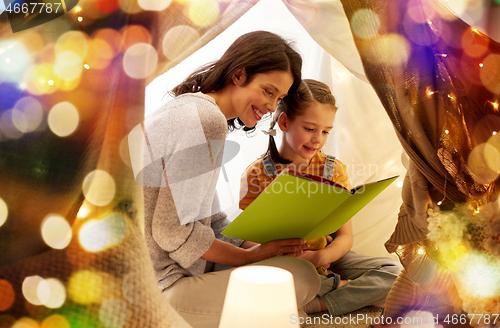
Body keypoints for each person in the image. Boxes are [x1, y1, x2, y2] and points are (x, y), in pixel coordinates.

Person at [141, 31, 320, 328]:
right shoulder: (205, 120)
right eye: (267, 91)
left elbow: (210, 220)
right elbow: (170, 230)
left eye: (279, 98)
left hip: (169, 268)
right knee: (300, 278)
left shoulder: (191, 108)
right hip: (161, 284)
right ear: (238, 75)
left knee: (287, 271)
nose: (271, 107)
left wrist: (263, 245)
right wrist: (251, 257)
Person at [239, 79, 402, 316]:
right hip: (281, 260)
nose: (318, 139)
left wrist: (322, 256)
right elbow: (246, 241)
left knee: (394, 272)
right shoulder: (256, 174)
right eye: (309, 129)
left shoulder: (334, 170)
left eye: (326, 131)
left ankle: (316, 303)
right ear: (284, 122)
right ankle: (334, 287)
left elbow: (345, 237)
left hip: (325, 257)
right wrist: (282, 252)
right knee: (259, 276)